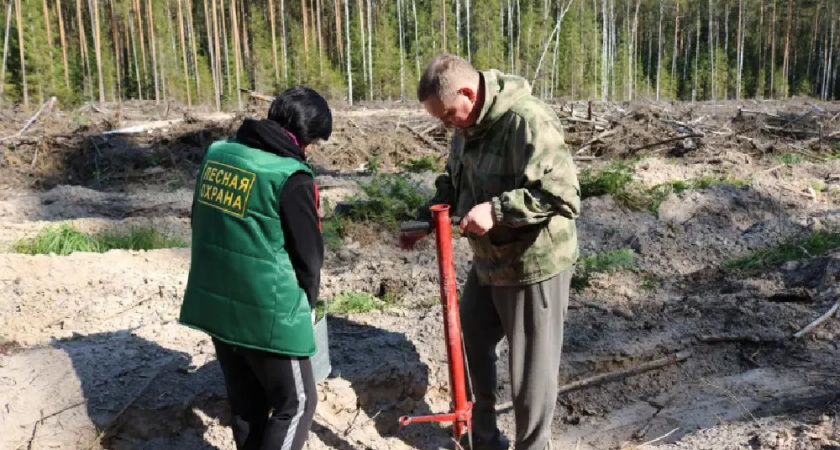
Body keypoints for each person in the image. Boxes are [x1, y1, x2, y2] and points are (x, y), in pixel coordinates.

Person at [400, 54, 581, 450]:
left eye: (449, 115)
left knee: (530, 376)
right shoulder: (464, 126)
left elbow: (563, 196)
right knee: (472, 338)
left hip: (534, 262)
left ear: (469, 92)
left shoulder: (527, 121)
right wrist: (430, 218)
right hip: (489, 261)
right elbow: (454, 182)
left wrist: (497, 211)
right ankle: (484, 440)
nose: (447, 125)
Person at [179, 86, 330, 450]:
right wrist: (306, 307)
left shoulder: (217, 154)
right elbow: (309, 258)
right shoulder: (292, 178)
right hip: (267, 313)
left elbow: (199, 220)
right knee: (297, 404)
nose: (310, 150)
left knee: (247, 405)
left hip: (216, 302)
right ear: (305, 137)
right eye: (314, 142)